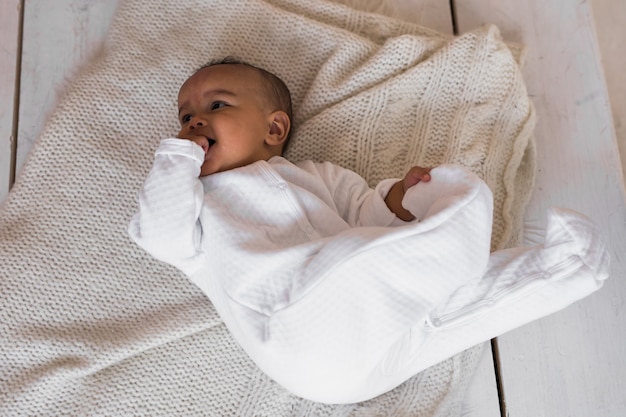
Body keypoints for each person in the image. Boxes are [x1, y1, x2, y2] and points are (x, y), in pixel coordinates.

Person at [128, 58, 608, 404]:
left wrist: (402, 198)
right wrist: (178, 160)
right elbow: (157, 232)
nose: (194, 121)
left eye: (216, 104)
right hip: (299, 331)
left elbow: (368, 216)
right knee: (359, 264)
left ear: (274, 129)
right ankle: (442, 249)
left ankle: (566, 269)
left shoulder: (320, 177)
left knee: (458, 309)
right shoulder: (198, 203)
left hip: (375, 341)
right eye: (185, 116)